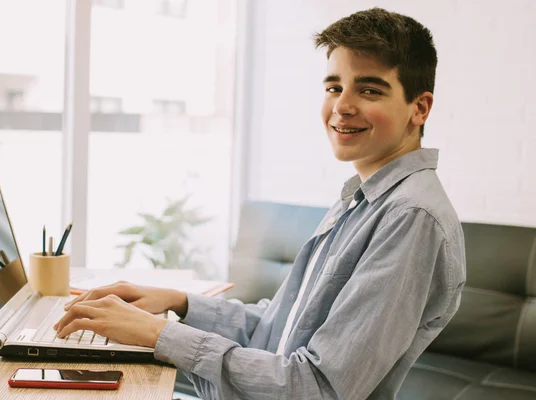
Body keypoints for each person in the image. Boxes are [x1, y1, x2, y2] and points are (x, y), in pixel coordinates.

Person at [55, 8, 466, 399]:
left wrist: (157, 334)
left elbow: (318, 387)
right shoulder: (363, 198)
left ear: (420, 107)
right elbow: (279, 328)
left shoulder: (410, 217)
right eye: (334, 87)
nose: (342, 105)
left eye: (370, 89)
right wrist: (178, 302)